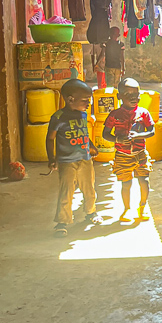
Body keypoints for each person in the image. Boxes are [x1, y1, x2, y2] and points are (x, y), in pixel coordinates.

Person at [46, 79, 102, 237]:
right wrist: (51, 158)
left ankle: (91, 212)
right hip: (67, 162)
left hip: (85, 159)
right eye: (85, 100)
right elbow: (50, 138)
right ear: (70, 99)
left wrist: (91, 145)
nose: (88, 104)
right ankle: (62, 222)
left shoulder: (83, 114)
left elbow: (83, 132)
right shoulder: (58, 117)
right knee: (66, 192)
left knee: (89, 188)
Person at [103, 78, 155, 224]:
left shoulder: (143, 113)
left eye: (136, 94)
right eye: (128, 94)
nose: (133, 98)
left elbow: (151, 131)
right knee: (126, 184)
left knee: (144, 181)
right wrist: (117, 140)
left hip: (140, 154)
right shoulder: (114, 115)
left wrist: (138, 135)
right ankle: (127, 209)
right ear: (119, 96)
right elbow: (105, 134)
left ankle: (142, 206)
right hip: (123, 155)